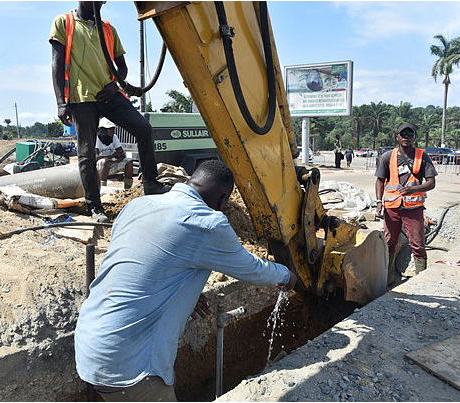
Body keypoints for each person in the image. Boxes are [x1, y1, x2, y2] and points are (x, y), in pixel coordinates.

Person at [74, 160, 297, 401]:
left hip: (90, 343)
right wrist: (286, 275)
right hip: (130, 365)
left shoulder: (138, 206)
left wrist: (184, 291)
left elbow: (140, 264)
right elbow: (251, 268)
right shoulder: (207, 223)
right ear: (223, 200)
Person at [49, 1, 168, 223]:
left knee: (143, 129)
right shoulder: (63, 23)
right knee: (86, 154)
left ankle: (151, 183)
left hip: (109, 95)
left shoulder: (108, 29)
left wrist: (116, 84)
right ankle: (95, 206)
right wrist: (60, 102)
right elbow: (56, 63)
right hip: (81, 98)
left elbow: (121, 67)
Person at [375, 123, 437, 285]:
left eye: (410, 135)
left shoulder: (422, 156)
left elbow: (431, 183)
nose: (406, 138)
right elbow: (380, 180)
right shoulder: (388, 156)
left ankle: (421, 282)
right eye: (403, 134)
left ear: (414, 137)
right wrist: (378, 202)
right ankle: (387, 281)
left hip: (413, 209)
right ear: (397, 137)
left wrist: (413, 189)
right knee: (389, 243)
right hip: (392, 208)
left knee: (417, 244)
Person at [95, 117, 134, 190]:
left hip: (111, 163)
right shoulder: (96, 139)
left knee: (129, 161)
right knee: (104, 161)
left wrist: (114, 159)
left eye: (112, 129)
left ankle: (127, 189)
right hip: (98, 167)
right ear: (103, 130)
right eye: (109, 129)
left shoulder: (114, 137)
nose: (112, 131)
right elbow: (95, 157)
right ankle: (102, 189)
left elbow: (121, 153)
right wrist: (112, 156)